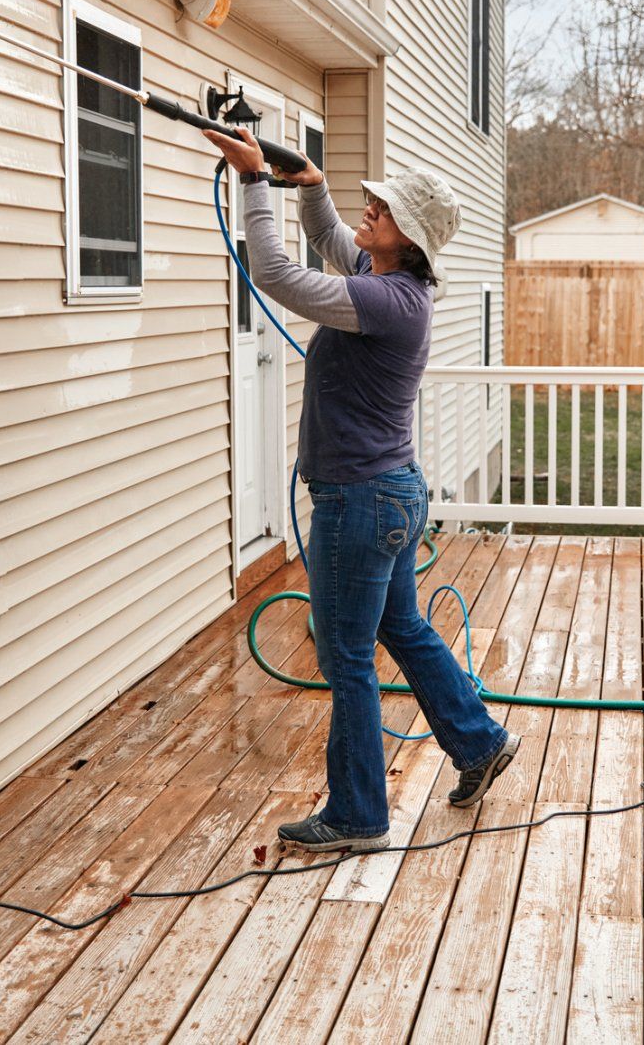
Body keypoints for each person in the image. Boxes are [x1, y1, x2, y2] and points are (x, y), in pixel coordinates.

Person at [202, 125, 517, 853]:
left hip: (361, 501)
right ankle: (479, 741)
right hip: (389, 493)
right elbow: (329, 241)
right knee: (401, 626)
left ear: (411, 241)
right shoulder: (389, 282)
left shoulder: (387, 301)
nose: (370, 208)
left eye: (385, 208)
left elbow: (276, 274)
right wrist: (311, 185)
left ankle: (357, 815)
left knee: (346, 655)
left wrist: (254, 182)